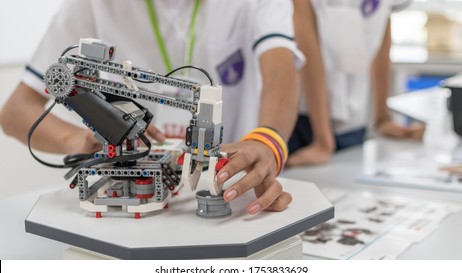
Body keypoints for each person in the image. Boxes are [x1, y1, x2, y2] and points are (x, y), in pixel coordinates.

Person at [0, 0, 303, 214]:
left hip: (228, 184)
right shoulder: (90, 5)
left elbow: (280, 67)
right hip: (136, 198)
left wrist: (267, 140)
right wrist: (83, 140)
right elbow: (16, 112)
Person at [288, 0, 425, 167]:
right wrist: (322, 141)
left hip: (353, 124)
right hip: (303, 121)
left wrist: (382, 119)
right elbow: (307, 53)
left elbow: (381, 33)